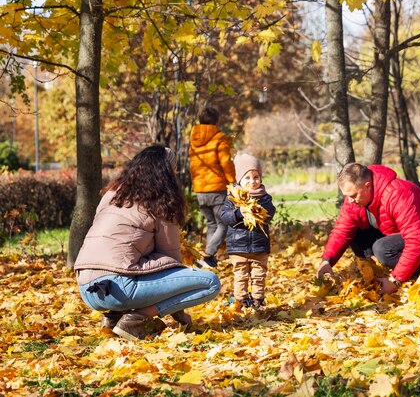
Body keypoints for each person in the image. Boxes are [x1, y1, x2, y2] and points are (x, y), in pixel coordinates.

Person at [74, 145, 221, 341]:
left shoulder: (112, 194)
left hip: (86, 287)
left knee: (136, 262)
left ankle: (113, 316)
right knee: (210, 283)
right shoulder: (160, 201)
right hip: (119, 286)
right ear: (167, 173)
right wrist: (180, 314)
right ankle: (135, 319)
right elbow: (172, 262)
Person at [316, 163, 420, 295]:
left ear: (367, 185)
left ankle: (416, 274)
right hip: (406, 235)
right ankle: (378, 274)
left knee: (382, 248)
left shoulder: (398, 194)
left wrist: (396, 280)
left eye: (354, 195)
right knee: (356, 233)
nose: (350, 200)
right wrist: (327, 261)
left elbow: (416, 241)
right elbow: (341, 231)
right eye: (347, 196)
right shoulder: (354, 199)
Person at [220, 153, 275, 308]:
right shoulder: (232, 198)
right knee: (241, 276)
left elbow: (270, 213)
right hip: (238, 246)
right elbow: (224, 216)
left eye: (256, 177)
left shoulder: (264, 198)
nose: (252, 182)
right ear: (239, 180)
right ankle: (241, 301)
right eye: (248, 178)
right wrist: (239, 213)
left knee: (259, 275)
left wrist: (259, 210)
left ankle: (258, 301)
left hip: (259, 246)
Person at [189, 105, 236, 268]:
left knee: (211, 224)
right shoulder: (219, 138)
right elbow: (225, 162)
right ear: (217, 120)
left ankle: (210, 259)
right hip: (216, 188)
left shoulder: (194, 140)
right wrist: (232, 181)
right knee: (223, 223)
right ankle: (208, 255)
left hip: (200, 189)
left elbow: (193, 166)